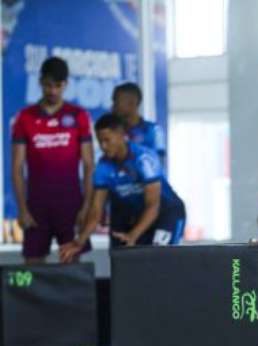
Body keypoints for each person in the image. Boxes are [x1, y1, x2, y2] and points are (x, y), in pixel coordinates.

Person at [59, 114, 186, 262]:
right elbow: (95, 212)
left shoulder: (144, 158)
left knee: (161, 261)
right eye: (100, 142)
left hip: (167, 213)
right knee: (135, 265)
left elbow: (153, 206)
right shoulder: (103, 168)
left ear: (121, 135)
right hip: (139, 217)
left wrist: (133, 234)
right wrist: (78, 242)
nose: (103, 146)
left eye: (107, 140)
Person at [11, 56, 95, 263]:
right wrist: (22, 209)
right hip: (37, 205)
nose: (53, 91)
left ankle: (73, 298)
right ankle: (31, 298)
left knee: (71, 267)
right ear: (40, 82)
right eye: (48, 85)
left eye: (58, 85)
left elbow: (88, 164)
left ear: (66, 84)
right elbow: (17, 167)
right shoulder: (25, 117)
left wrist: (87, 207)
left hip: (71, 205)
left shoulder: (79, 116)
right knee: (32, 266)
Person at [112, 82, 166, 164]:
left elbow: (159, 163)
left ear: (132, 102)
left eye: (117, 101)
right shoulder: (114, 132)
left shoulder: (154, 131)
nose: (113, 106)